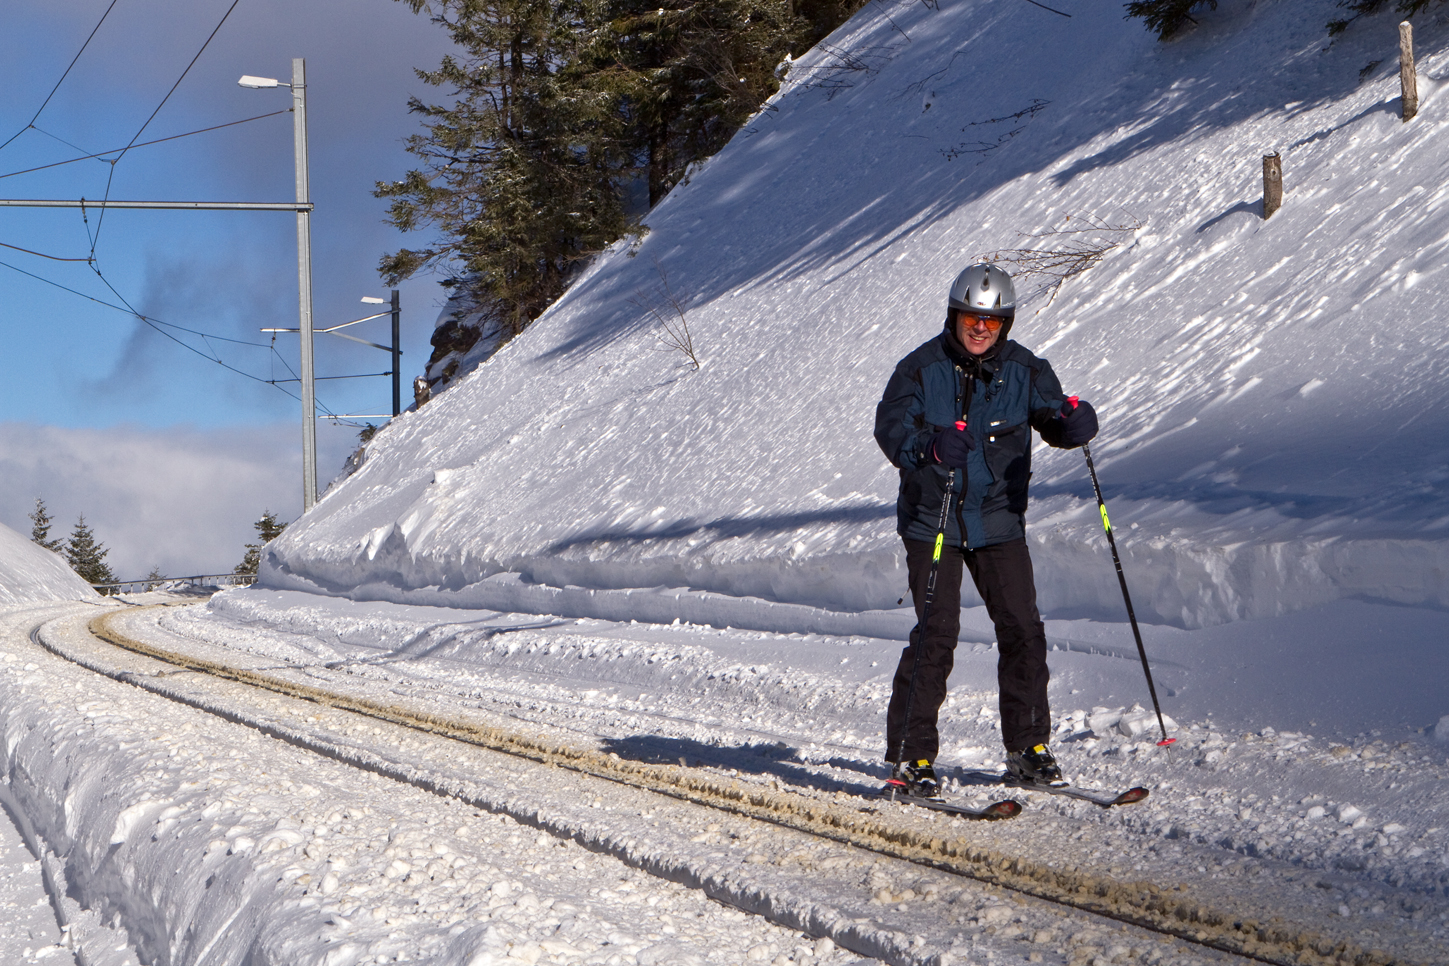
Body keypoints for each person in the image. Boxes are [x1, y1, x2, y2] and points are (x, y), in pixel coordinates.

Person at [872, 263, 1099, 798]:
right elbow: (891, 430)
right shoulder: (919, 369)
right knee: (937, 633)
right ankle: (912, 756)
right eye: (972, 318)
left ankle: (1028, 749)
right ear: (955, 315)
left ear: (1006, 324)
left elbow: (1053, 417)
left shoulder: (1026, 370)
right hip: (935, 520)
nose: (980, 329)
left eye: (992, 322)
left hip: (998, 518)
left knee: (1023, 627)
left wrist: (1073, 425)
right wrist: (927, 448)